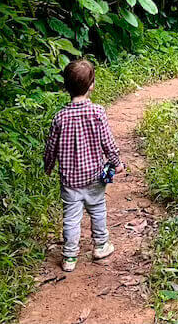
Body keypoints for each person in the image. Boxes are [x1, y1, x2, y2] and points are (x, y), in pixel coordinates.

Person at [44, 59, 124, 272]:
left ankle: (69, 257)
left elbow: (51, 146)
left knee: (71, 217)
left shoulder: (60, 117)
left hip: (70, 180)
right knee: (97, 209)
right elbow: (108, 142)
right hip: (94, 176)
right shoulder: (97, 112)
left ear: (65, 87)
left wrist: (48, 165)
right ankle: (100, 246)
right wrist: (117, 163)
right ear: (92, 85)